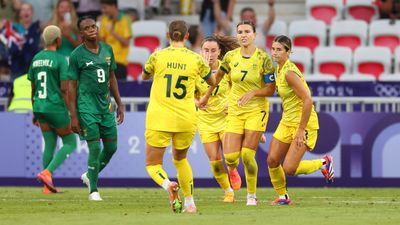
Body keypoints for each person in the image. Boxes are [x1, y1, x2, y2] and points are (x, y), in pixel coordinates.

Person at [199, 20, 275, 206]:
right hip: (235, 111)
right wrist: (205, 97)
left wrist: (254, 92)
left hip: (256, 110)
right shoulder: (230, 57)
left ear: (254, 35)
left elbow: (271, 89)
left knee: (248, 156)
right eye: (240, 31)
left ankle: (251, 196)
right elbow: (216, 79)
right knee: (231, 158)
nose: (243, 34)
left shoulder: (264, 58)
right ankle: (250, 138)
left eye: (247, 31)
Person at [142, 20, 215, 213]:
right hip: (186, 118)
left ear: (168, 35)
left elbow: (144, 76)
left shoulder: (157, 56)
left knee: (153, 164)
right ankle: (190, 203)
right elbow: (212, 81)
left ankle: (168, 185)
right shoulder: (196, 59)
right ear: (187, 36)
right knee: (180, 159)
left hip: (159, 117)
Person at [268, 35, 334, 205]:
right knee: (272, 160)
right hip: (287, 121)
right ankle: (283, 197)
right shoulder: (278, 68)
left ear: (289, 52)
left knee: (289, 168)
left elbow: (308, 100)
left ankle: (323, 162)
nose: (274, 53)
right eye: (273, 49)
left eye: (279, 50)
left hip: (303, 123)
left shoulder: (289, 73)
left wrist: (300, 129)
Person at [68, 16, 124, 201]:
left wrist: (119, 103)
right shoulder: (77, 55)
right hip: (86, 107)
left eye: (94, 26)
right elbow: (71, 87)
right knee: (94, 147)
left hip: (105, 106)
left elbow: (112, 77)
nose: (92, 29)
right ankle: (93, 190)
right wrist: (73, 116)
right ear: (81, 33)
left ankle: (89, 175)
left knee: (111, 147)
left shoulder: (108, 49)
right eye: (87, 28)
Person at [29, 25, 77, 194]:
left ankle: (46, 187)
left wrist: (35, 111)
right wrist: (72, 112)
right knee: (70, 142)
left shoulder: (36, 58)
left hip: (40, 106)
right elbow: (65, 89)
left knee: (50, 143)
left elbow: (33, 88)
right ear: (58, 40)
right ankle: (47, 173)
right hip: (55, 106)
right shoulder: (60, 59)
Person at [194, 35, 239, 203]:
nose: (210, 54)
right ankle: (228, 192)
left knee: (229, 156)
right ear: (201, 51)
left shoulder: (226, 69)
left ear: (220, 52)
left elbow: (238, 89)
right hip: (205, 120)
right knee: (214, 160)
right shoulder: (196, 70)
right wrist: (197, 102)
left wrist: (232, 103)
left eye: (213, 50)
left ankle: (233, 169)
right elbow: (188, 93)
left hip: (226, 118)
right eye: (206, 50)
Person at [99, 0, 132, 80]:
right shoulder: (104, 19)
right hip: (106, 61)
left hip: (120, 62)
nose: (103, 10)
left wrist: (112, 32)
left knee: (120, 91)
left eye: (105, 8)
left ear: (113, 6)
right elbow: (101, 42)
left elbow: (126, 43)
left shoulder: (125, 19)